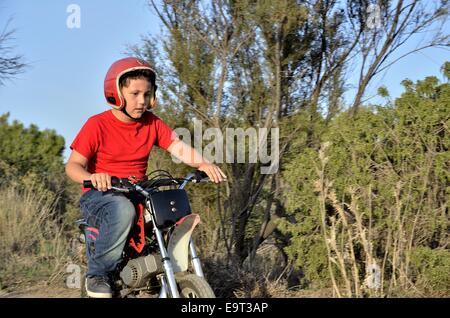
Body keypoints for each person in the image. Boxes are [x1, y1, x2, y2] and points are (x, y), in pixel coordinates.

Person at [65, 57, 226, 298]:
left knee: (173, 209)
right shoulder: (97, 125)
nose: (141, 101)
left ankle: (162, 269)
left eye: (146, 93)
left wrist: (203, 163)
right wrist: (93, 177)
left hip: (138, 191)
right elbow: (73, 166)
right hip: (101, 196)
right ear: (116, 92)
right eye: (134, 93)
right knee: (123, 209)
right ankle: (97, 274)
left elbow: (178, 147)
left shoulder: (152, 123)